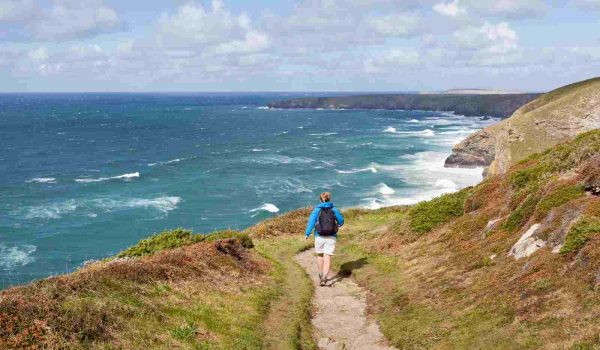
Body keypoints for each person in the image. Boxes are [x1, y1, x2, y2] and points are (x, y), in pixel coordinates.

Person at [305, 192, 344, 286]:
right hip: (331, 236)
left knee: (320, 256)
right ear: (329, 199)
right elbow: (341, 221)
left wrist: (307, 233)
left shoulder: (316, 210)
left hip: (319, 236)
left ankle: (320, 274)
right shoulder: (334, 209)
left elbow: (311, 222)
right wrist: (339, 224)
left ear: (320, 200)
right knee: (327, 257)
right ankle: (324, 278)